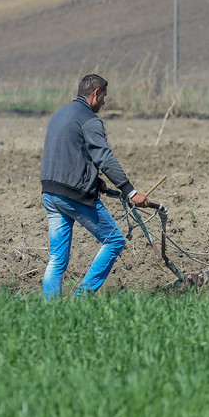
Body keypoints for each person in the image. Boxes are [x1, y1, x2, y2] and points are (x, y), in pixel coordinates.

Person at [40, 74, 151, 298]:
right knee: (114, 241)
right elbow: (105, 158)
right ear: (96, 94)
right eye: (104, 97)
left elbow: (68, 154)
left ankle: (49, 310)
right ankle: (82, 297)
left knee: (57, 259)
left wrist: (94, 179)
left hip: (50, 192)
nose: (104, 103)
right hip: (73, 196)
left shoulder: (59, 115)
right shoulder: (90, 119)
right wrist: (130, 191)